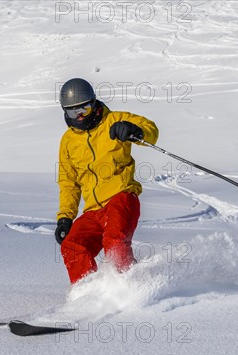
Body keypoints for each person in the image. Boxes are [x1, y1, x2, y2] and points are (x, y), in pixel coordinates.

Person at [54, 78, 159, 284]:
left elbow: (151, 129)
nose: (80, 116)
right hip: (93, 210)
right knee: (72, 246)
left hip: (121, 198)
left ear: (93, 103)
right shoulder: (68, 141)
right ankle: (89, 294)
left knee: (114, 240)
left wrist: (134, 130)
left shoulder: (114, 121)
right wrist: (65, 218)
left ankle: (130, 286)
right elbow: (68, 182)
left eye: (84, 109)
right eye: (73, 112)